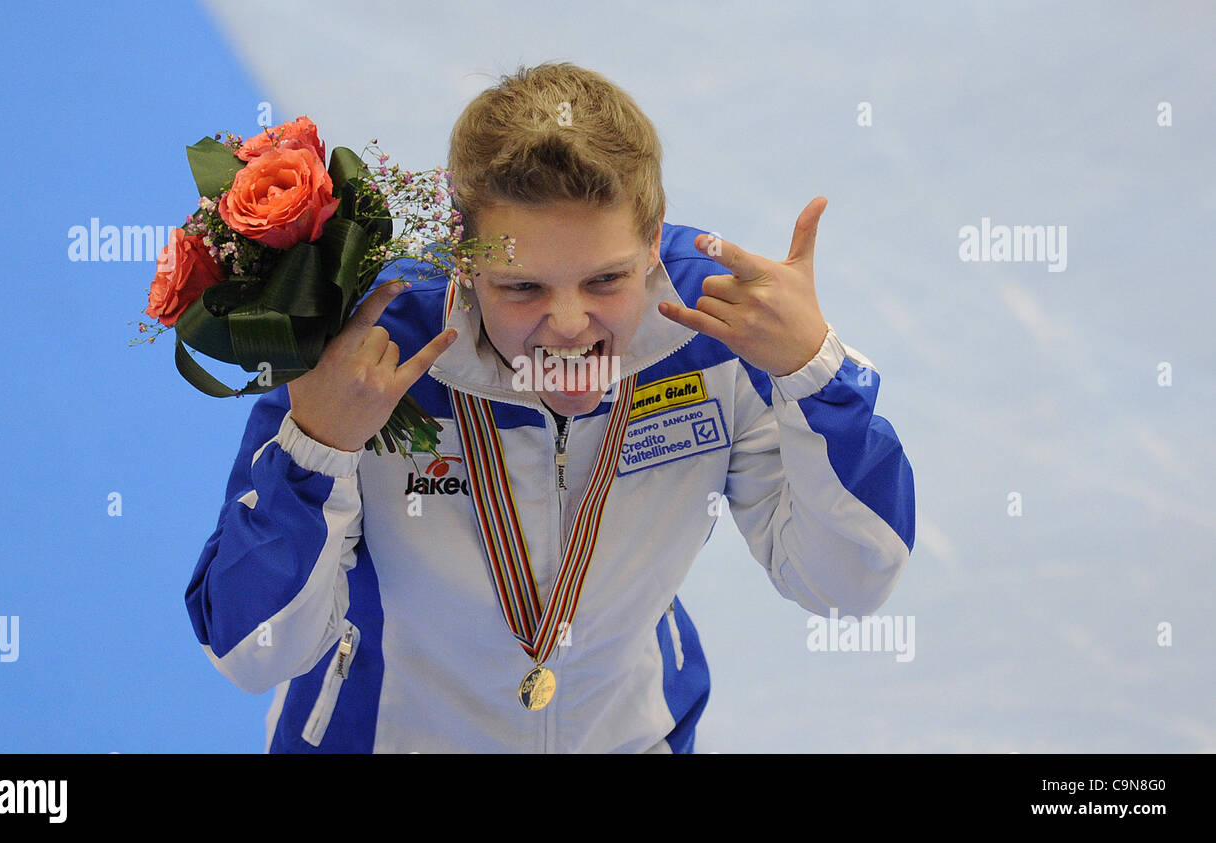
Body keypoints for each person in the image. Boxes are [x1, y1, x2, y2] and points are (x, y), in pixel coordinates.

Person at [184, 61, 915, 753]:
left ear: (654, 244)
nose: (568, 323)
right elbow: (253, 653)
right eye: (522, 288)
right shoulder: (370, 353)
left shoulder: (721, 334)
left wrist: (815, 373)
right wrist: (317, 446)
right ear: (463, 258)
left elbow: (846, 584)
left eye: (606, 280)